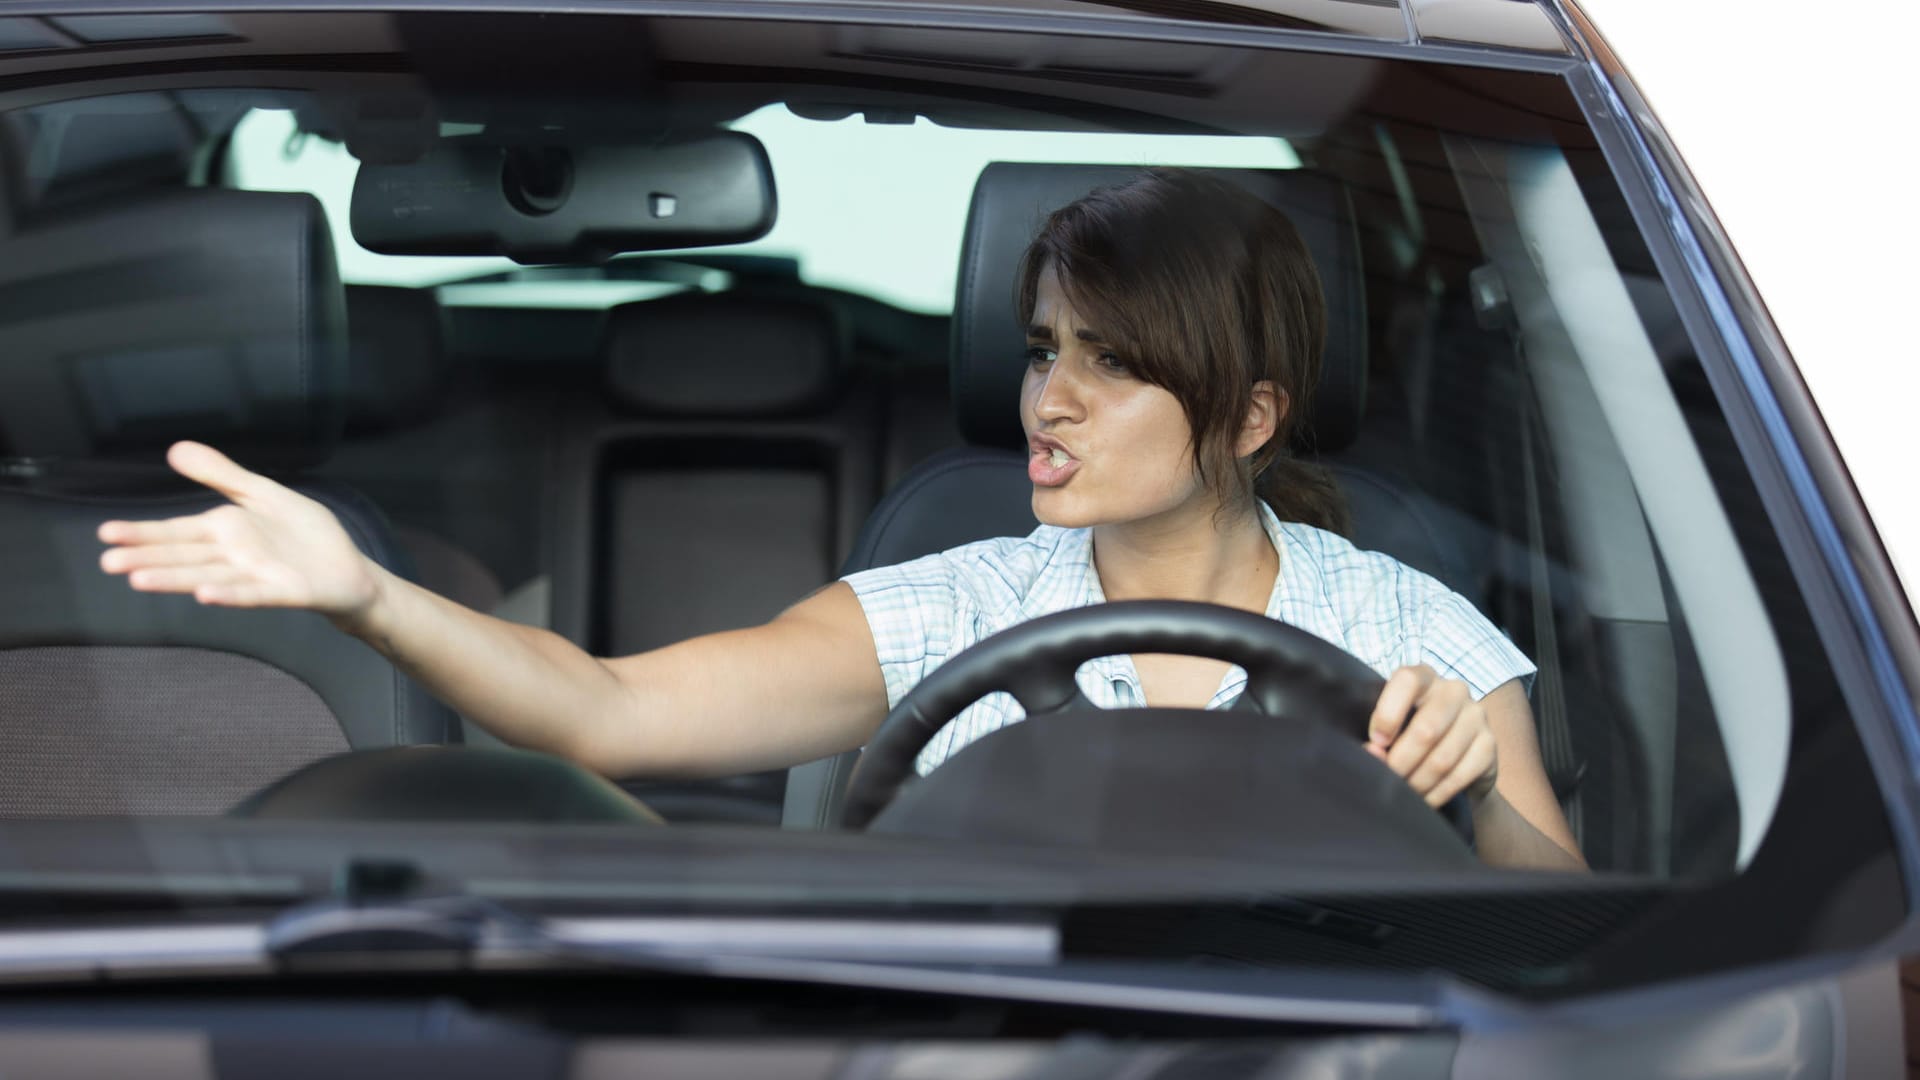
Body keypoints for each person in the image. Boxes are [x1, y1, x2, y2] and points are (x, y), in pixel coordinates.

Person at [96, 169, 1585, 870]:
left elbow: (1561, 931)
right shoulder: (953, 603)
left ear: (1252, 416)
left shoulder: (1405, 625)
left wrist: (1481, 803)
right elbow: (605, 712)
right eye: (1043, 349)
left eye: (1113, 365)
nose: (1048, 401)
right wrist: (364, 595)